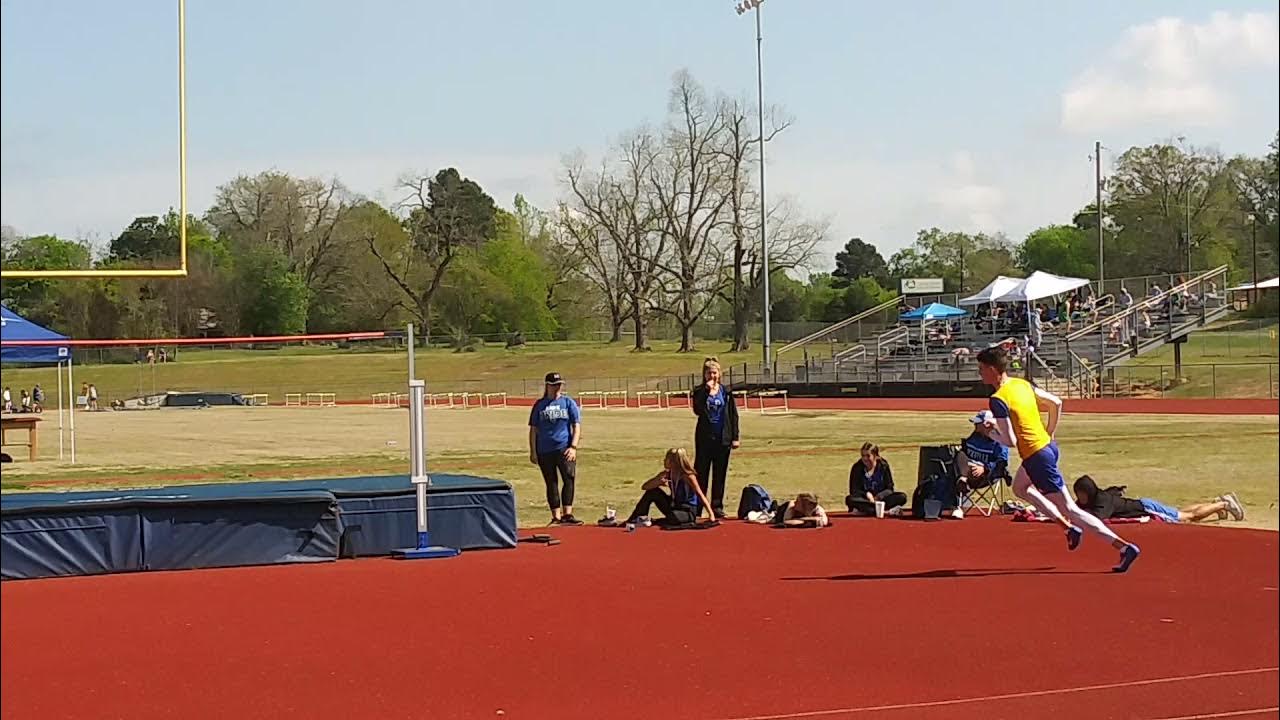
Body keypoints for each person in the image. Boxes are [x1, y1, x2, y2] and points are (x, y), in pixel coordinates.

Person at [977, 345, 1141, 572]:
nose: (979, 373)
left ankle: (1123, 547)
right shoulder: (1022, 384)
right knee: (1020, 487)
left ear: (994, 369)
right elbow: (1056, 403)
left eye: (982, 368)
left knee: (1071, 510)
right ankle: (1066, 528)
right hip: (1048, 448)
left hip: (1036, 457)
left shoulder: (997, 399)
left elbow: (1010, 441)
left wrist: (991, 431)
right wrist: (1050, 432)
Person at [1072, 475, 1245, 525]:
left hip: (1147, 509)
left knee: (1188, 518)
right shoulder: (1094, 498)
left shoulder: (1102, 501)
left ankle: (1224, 504)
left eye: (1081, 494)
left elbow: (1097, 519)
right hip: (1147, 504)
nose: (1080, 498)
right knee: (1182, 511)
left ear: (1088, 492)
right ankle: (1216, 502)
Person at [528, 372, 583, 525]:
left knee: (569, 478)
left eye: (559, 384)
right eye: (554, 385)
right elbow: (533, 429)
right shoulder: (540, 405)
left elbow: (576, 425)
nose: (557, 387)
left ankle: (568, 515)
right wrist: (533, 451)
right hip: (545, 450)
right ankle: (556, 517)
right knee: (551, 482)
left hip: (564, 448)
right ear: (547, 386)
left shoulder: (568, 403)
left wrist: (573, 446)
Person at [691, 358, 740, 519]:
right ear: (704, 375)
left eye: (714, 372)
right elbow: (697, 410)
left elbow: (733, 415)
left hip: (722, 439)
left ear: (719, 374)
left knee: (720, 475)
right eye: (709, 373)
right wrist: (706, 391)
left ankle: (717, 506)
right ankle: (697, 506)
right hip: (705, 439)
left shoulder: (726, 392)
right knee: (701, 474)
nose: (712, 375)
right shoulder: (699, 391)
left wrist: (735, 437)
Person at [619, 448, 713, 527]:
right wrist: (657, 483)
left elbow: (700, 494)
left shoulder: (688, 476)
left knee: (673, 518)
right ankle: (636, 518)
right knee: (653, 492)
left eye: (666, 459)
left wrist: (711, 514)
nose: (664, 461)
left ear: (674, 462)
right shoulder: (667, 474)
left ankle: (660, 520)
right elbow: (645, 487)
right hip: (674, 506)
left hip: (687, 510)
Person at [845, 442, 907, 515]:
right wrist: (867, 494)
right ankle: (884, 512)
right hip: (865, 500)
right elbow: (854, 490)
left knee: (902, 497)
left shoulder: (883, 466)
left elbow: (890, 488)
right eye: (863, 456)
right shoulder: (857, 468)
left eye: (868, 456)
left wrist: (878, 497)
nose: (865, 459)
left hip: (881, 500)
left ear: (875, 456)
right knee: (850, 499)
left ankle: (869, 511)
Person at [957, 410, 1009, 489]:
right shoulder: (975, 435)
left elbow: (1001, 463)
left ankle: (963, 481)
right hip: (968, 468)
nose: (975, 425)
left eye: (978, 423)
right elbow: (965, 450)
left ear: (987, 424)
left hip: (987, 475)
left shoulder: (999, 441)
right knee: (959, 455)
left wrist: (984, 468)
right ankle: (963, 480)